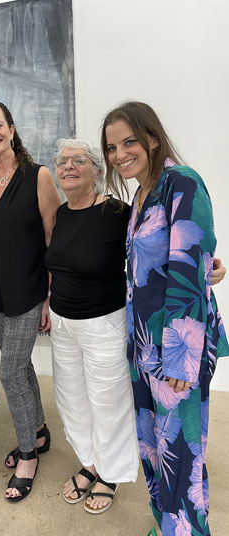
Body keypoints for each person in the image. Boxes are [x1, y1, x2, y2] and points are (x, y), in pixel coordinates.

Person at [101, 101, 229, 536]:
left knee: (180, 450)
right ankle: (170, 525)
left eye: (129, 142)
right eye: (113, 148)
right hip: (145, 345)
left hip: (178, 349)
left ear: (152, 137)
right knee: (156, 446)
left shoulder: (182, 182)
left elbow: (188, 268)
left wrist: (181, 357)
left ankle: (186, 531)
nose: (120, 155)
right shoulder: (140, 193)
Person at [0, 100, 61, 501]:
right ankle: (38, 432)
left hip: (28, 291)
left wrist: (50, 295)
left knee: (9, 373)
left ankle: (28, 455)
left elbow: (54, 238)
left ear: (11, 128)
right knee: (20, 368)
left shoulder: (38, 176)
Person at [45, 139, 139, 514]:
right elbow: (58, 264)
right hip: (63, 325)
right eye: (63, 161)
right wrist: (49, 304)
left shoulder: (118, 212)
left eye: (78, 160)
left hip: (104, 324)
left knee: (108, 402)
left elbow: (155, 247)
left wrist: (203, 267)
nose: (68, 166)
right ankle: (89, 463)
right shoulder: (63, 213)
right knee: (73, 399)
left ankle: (110, 473)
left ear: (97, 172)